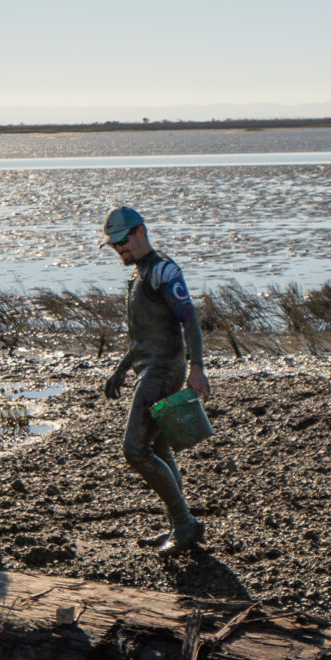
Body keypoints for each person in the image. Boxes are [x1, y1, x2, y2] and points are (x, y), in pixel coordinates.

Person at [101, 206, 209, 556]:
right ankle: (179, 523)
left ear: (140, 232)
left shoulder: (163, 270)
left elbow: (189, 319)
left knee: (134, 449)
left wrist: (197, 368)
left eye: (123, 241)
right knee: (159, 449)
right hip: (147, 369)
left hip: (163, 372)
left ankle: (184, 524)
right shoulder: (138, 273)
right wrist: (119, 370)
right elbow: (141, 340)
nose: (119, 249)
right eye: (114, 244)